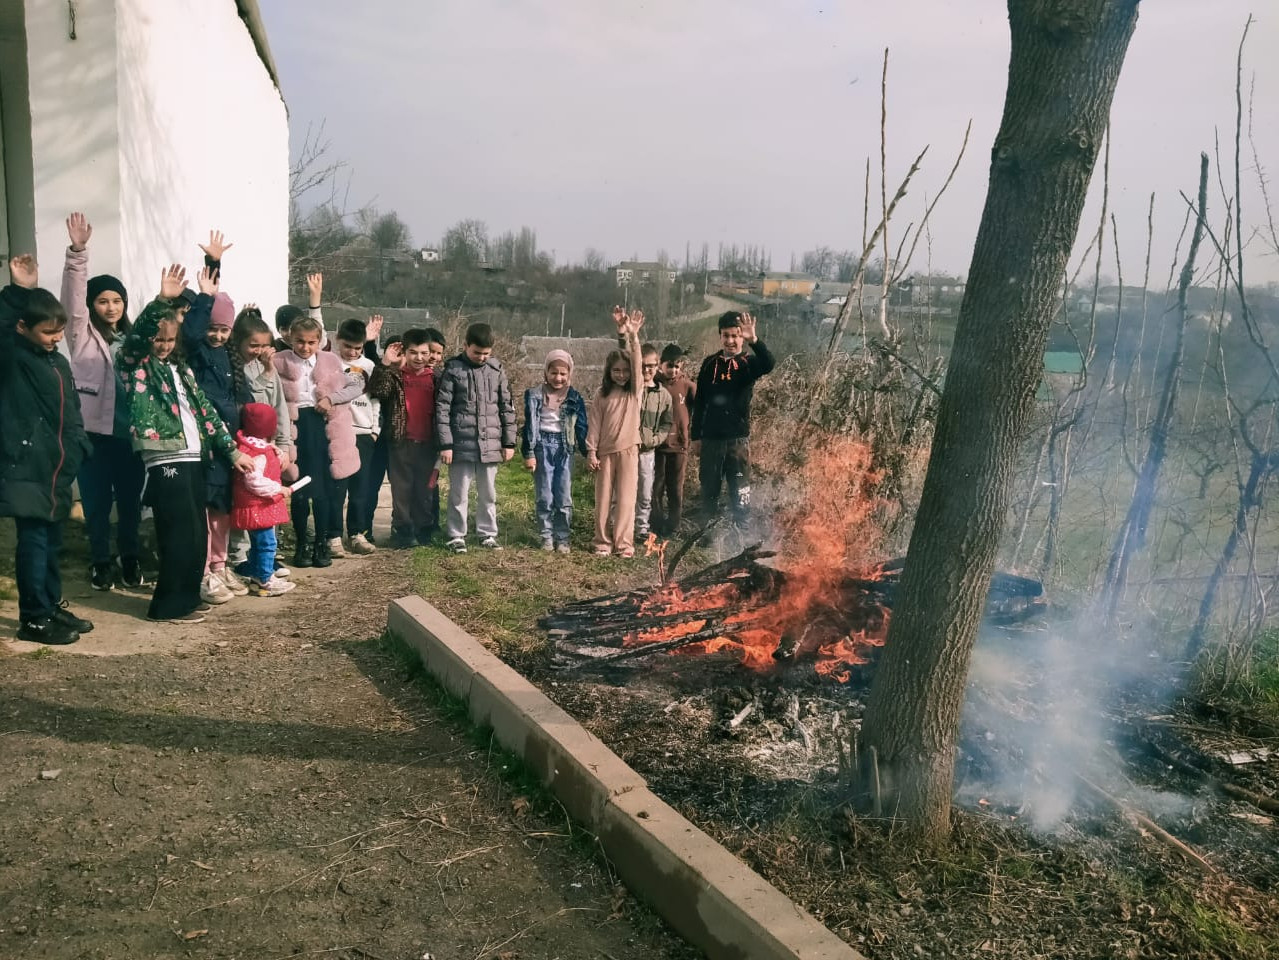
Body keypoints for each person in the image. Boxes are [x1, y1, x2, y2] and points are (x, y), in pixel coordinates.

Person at [116, 265, 250, 625]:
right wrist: (162, 300)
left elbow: (206, 413)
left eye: (169, 340)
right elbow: (138, 335)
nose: (163, 345)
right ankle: (166, 606)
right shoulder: (136, 365)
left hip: (195, 456)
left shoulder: (182, 370)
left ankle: (187, 598)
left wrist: (231, 450)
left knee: (195, 534)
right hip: (164, 457)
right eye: (158, 340)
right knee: (176, 533)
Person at [1, 254, 95, 645]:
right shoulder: (14, 356)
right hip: (28, 468)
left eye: (58, 331)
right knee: (34, 544)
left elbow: (69, 408)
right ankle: (33, 617)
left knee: (52, 543)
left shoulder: (54, 360)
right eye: (47, 331)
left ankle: (50, 604)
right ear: (23, 327)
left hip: (58, 466)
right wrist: (19, 291)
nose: (55, 338)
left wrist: (79, 444)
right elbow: (3, 327)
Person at [59, 212, 146, 591]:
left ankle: (130, 557)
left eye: (117, 301)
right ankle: (100, 561)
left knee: (129, 504)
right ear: (93, 305)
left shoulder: (134, 341)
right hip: (93, 436)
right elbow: (72, 303)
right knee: (95, 505)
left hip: (129, 437)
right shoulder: (81, 336)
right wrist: (78, 253)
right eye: (103, 301)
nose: (111, 307)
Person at [181, 232, 247, 604]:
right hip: (206, 442)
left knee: (223, 508)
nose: (219, 335)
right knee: (207, 511)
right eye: (214, 329)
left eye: (225, 330)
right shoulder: (196, 349)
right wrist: (211, 274)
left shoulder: (228, 357)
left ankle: (221, 566)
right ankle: (205, 571)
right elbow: (192, 329)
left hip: (228, 444)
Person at [273, 315, 363, 568]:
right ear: (289, 338)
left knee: (323, 492)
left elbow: (355, 387)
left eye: (312, 342)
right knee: (300, 489)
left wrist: (332, 399)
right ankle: (303, 542)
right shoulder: (279, 361)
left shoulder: (330, 360)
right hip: (294, 427)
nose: (305, 347)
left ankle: (322, 542)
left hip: (323, 425)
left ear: (320, 341)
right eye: (299, 341)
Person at [435, 322, 516, 553]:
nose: (481, 357)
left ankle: (487, 533)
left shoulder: (497, 370)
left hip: (491, 444)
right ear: (465, 345)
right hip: (460, 445)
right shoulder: (453, 370)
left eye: (486, 353)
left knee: (488, 493)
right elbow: (442, 409)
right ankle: (456, 535)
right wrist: (446, 444)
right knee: (459, 493)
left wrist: (508, 442)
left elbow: (506, 407)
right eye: (476, 352)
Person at [227, 308, 293, 580]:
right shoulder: (233, 367)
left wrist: (285, 445)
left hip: (269, 448)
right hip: (243, 447)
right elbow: (251, 402)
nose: (260, 350)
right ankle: (241, 557)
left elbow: (279, 408)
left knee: (269, 499)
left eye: (265, 345)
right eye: (253, 345)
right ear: (239, 342)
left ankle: (265, 555)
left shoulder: (267, 367)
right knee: (246, 501)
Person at [690, 311, 774, 522]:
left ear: (741, 337)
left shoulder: (749, 364)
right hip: (711, 440)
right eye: (726, 335)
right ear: (720, 336)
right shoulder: (710, 364)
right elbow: (700, 401)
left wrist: (754, 340)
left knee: (740, 490)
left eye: (735, 336)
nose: (730, 341)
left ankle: (742, 534)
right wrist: (695, 437)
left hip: (737, 441)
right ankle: (705, 534)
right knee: (709, 489)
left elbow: (769, 363)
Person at [369, 328, 440, 549]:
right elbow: (377, 390)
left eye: (423, 353)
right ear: (405, 353)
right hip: (401, 441)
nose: (419, 358)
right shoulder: (396, 375)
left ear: (430, 353)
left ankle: (424, 529)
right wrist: (385, 364)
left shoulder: (437, 378)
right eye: (413, 352)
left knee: (424, 490)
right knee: (401, 489)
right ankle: (403, 530)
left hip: (428, 442)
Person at [585, 308, 644, 558]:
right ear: (609, 372)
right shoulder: (602, 394)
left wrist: (631, 336)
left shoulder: (635, 391)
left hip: (629, 450)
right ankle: (602, 541)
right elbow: (595, 422)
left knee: (627, 501)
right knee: (603, 500)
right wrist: (591, 450)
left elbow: (637, 362)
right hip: (605, 453)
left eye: (625, 371)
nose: (621, 374)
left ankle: (623, 544)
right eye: (616, 371)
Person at [521, 349, 588, 553]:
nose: (558, 378)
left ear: (569, 375)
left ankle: (563, 537)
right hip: (542, 446)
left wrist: (588, 452)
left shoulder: (575, 397)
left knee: (563, 495)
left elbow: (582, 427)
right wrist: (529, 453)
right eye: (553, 373)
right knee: (544, 495)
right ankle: (546, 536)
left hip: (565, 448)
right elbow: (528, 427)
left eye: (563, 374)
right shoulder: (534, 395)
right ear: (546, 372)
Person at [231, 402, 298, 597]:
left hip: (256, 507)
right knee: (267, 543)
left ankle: (257, 572)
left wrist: (274, 450)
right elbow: (255, 482)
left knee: (258, 543)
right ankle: (265, 577)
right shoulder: (257, 454)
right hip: (258, 507)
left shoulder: (252, 446)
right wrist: (278, 488)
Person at [333, 317, 380, 555]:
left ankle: (356, 534)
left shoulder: (369, 366)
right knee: (337, 488)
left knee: (360, 487)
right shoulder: (330, 362)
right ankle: (333, 536)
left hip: (363, 433)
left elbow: (375, 399)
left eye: (357, 348)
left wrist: (374, 430)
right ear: (337, 341)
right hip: (339, 432)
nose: (351, 352)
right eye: (347, 346)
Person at [651, 343, 696, 537]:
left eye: (677, 366)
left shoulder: (688, 385)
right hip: (657, 445)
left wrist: (691, 431)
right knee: (656, 488)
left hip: (679, 445)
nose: (673, 370)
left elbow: (699, 407)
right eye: (670, 366)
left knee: (675, 489)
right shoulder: (654, 383)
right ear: (661, 365)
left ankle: (673, 527)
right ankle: (656, 524)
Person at [634, 343, 672, 541]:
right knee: (621, 492)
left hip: (647, 452)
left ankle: (641, 527)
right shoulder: (632, 390)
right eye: (643, 365)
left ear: (657, 366)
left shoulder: (663, 395)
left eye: (651, 365)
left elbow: (667, 422)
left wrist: (657, 439)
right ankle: (617, 526)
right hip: (628, 450)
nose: (647, 370)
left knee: (645, 492)